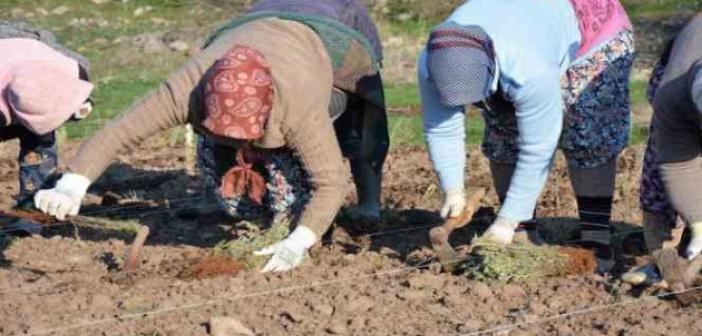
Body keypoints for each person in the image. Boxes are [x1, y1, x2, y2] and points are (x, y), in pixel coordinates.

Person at [34, 0, 389, 273]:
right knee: (226, 167)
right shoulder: (188, 86)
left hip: (336, 35)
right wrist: (73, 184)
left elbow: (330, 181)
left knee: (360, 127)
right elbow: (119, 132)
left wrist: (301, 240)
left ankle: (369, 203)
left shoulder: (301, 104)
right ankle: (245, 202)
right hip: (256, 23)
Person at [418, 0, 634, 271]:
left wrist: (505, 222)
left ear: (492, 69)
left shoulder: (527, 68)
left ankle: (595, 235)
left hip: (593, 35)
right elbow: (442, 128)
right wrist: (452, 189)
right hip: (525, 32)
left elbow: (538, 148)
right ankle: (523, 231)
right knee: (503, 134)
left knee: (587, 134)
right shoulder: (433, 60)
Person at [623, 14, 702, 285]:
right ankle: (663, 261)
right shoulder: (671, 94)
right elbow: (677, 166)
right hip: (679, 81)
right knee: (660, 175)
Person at [0, 22, 93, 210]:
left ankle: (35, 209)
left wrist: (71, 111)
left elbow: (82, 104)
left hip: (29, 64)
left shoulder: (74, 70)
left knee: (40, 146)